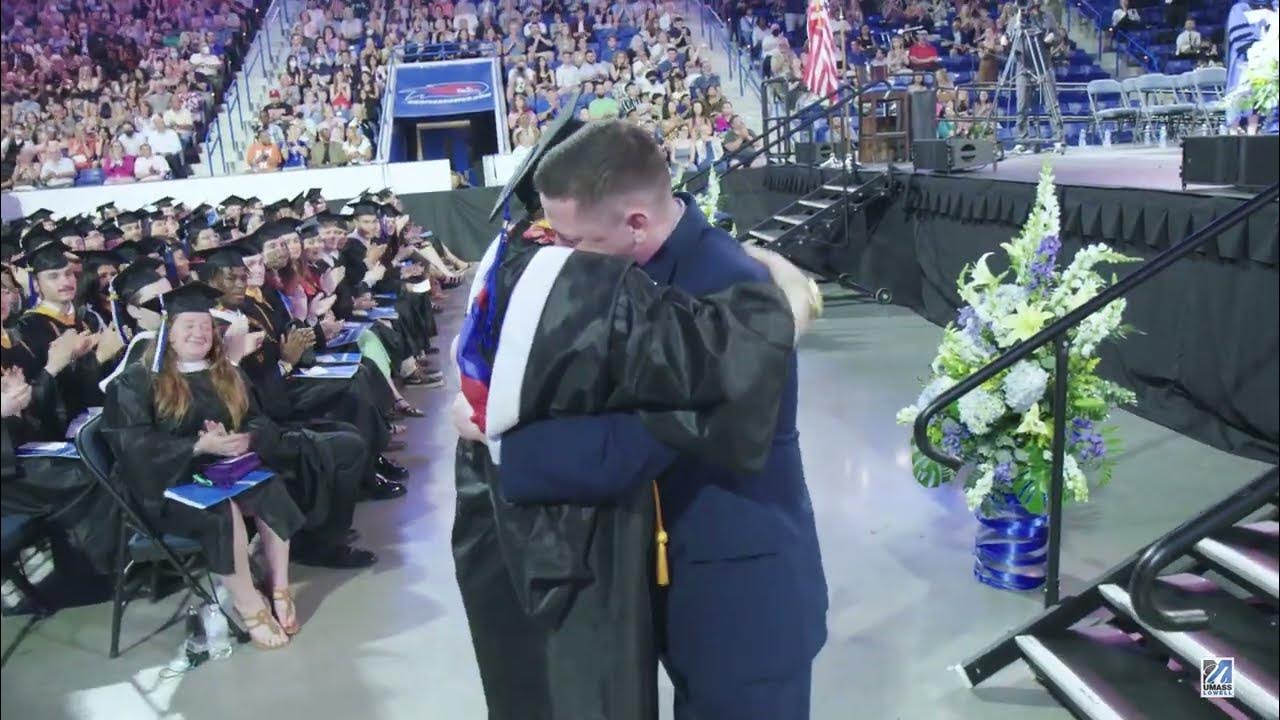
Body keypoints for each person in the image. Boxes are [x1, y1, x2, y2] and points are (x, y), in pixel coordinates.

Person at [450, 106, 818, 719]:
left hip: (740, 593)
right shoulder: (649, 270)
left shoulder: (723, 297)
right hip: (669, 574)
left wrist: (497, 440)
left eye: (575, 242)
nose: (563, 257)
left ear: (638, 223)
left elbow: (636, 439)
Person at [101, 283, 306, 650]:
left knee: (271, 488)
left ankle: (278, 588)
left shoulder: (225, 373)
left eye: (205, 325)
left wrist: (246, 440)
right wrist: (198, 445)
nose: (198, 332)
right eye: (188, 325)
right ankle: (250, 607)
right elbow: (131, 447)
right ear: (169, 333)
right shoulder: (136, 381)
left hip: (224, 472)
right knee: (221, 512)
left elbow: (259, 420)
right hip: (162, 484)